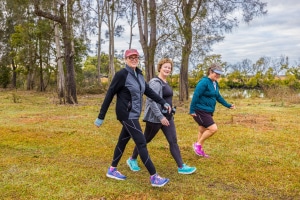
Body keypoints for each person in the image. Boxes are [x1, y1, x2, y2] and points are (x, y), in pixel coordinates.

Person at [94, 49, 171, 187]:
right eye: (131, 57)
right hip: (126, 115)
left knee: (122, 142)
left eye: (136, 57)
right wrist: (101, 116)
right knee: (141, 142)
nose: (134, 59)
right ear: (125, 59)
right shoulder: (121, 75)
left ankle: (112, 169)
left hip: (134, 114)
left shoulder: (139, 74)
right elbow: (110, 94)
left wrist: (163, 102)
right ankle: (154, 177)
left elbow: (148, 91)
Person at [126, 58, 197, 175]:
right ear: (160, 68)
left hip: (167, 117)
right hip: (155, 119)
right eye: (165, 67)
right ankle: (132, 159)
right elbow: (151, 100)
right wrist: (160, 117)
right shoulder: (155, 82)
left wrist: (168, 114)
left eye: (169, 68)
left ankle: (181, 166)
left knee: (173, 141)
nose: (167, 69)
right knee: (145, 140)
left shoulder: (165, 82)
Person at [189, 63, 235, 158]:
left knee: (202, 129)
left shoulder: (215, 83)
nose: (217, 76)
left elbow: (217, 96)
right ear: (210, 72)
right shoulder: (204, 82)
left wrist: (228, 105)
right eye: (216, 73)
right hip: (200, 110)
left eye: (219, 74)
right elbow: (196, 95)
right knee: (213, 129)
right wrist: (192, 110)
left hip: (208, 110)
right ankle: (198, 145)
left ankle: (199, 150)